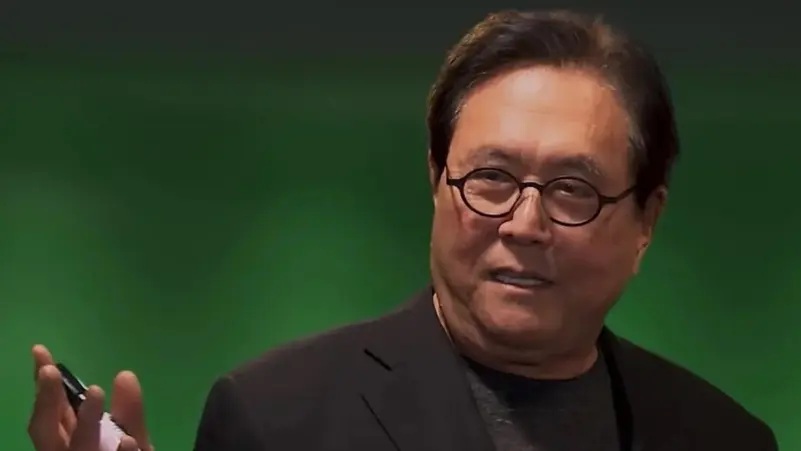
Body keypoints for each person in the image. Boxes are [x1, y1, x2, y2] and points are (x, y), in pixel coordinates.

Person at [28, 9, 778, 451]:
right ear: (436, 182)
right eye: (491, 178)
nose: (523, 223)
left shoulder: (724, 438)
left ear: (646, 220)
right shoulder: (277, 419)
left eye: (571, 190)